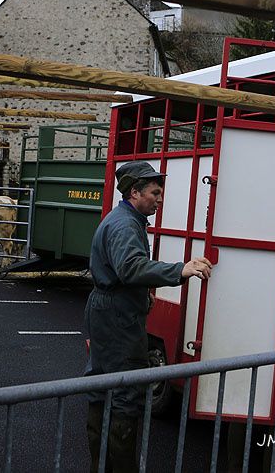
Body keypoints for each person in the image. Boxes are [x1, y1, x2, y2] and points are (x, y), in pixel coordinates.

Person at [84, 160, 213, 473]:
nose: (160, 198)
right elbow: (130, 267)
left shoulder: (123, 219)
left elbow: (121, 271)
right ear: (134, 192)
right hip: (118, 319)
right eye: (155, 193)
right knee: (126, 391)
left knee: (102, 388)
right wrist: (180, 270)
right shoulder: (126, 225)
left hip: (109, 310)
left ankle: (101, 466)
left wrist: (141, 295)